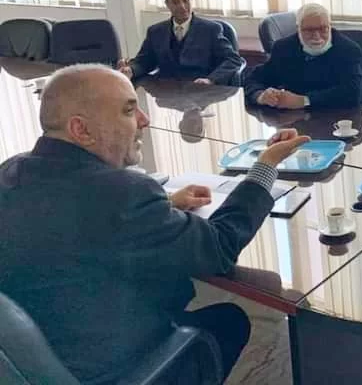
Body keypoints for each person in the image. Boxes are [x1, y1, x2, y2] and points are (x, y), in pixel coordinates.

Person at [0, 64, 309, 384]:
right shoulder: (125, 194)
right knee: (242, 316)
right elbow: (219, 247)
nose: (144, 120)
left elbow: (75, 219)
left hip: (40, 355)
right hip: (115, 369)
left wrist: (166, 206)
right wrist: (265, 167)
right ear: (82, 129)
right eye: (128, 110)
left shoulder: (11, 172)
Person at [118, 0, 245, 86]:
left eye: (185, 0)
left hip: (200, 91)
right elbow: (144, 61)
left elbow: (233, 60)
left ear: (191, 0)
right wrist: (131, 70)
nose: (182, 6)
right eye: (175, 2)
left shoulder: (211, 29)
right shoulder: (155, 31)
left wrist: (211, 80)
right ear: (167, 5)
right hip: (166, 92)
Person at [244, 3, 362, 109]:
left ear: (330, 26)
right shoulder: (283, 48)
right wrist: (260, 96)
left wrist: (304, 101)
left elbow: (353, 93)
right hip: (293, 119)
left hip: (337, 117)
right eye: (309, 30)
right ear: (298, 29)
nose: (316, 36)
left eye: (323, 29)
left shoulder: (348, 50)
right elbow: (253, 78)